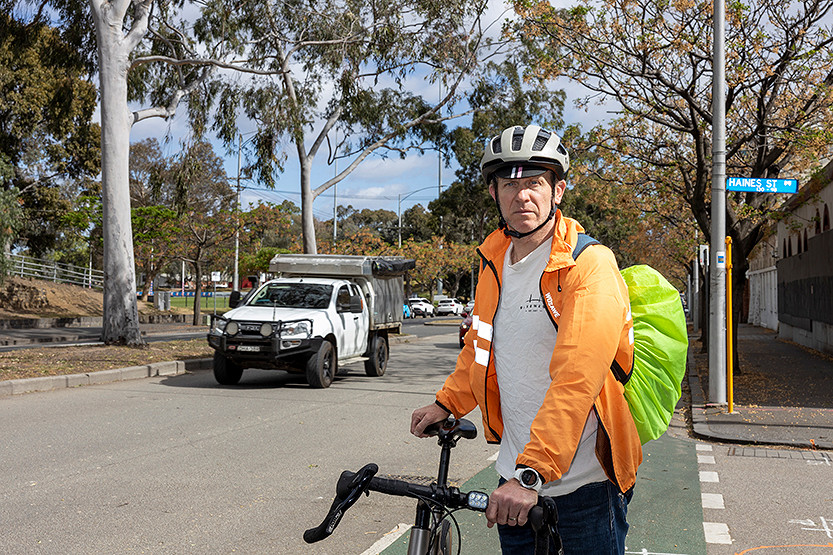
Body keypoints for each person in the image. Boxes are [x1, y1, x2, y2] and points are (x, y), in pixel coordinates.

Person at [410, 125, 643, 554]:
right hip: (514, 480)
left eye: (534, 183)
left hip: (582, 487)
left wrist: (533, 473)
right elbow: (481, 349)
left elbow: (578, 378)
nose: (522, 196)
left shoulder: (588, 266)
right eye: (509, 184)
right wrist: (448, 402)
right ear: (495, 194)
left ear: (558, 191)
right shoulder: (493, 262)